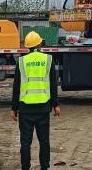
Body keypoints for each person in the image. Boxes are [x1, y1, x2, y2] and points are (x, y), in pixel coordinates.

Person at [11, 31, 61, 170]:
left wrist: (14, 108)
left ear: (27, 46)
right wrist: (55, 105)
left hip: (25, 109)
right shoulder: (47, 60)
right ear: (39, 44)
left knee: (25, 142)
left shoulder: (22, 61)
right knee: (44, 141)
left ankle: (25, 167)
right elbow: (53, 84)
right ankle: (44, 167)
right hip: (43, 108)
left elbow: (16, 86)